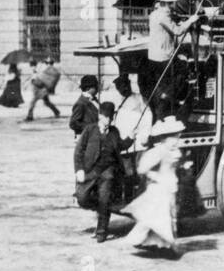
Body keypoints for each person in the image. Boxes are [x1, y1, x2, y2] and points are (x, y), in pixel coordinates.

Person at [121, 115, 185, 258]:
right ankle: (153, 243)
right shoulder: (159, 151)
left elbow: (175, 165)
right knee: (157, 216)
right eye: (173, 137)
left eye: (177, 136)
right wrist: (155, 176)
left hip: (170, 186)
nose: (176, 140)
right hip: (159, 187)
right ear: (165, 138)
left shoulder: (173, 150)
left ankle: (162, 245)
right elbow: (142, 168)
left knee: (167, 215)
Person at [74, 101, 132, 243]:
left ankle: (102, 232)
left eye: (110, 118)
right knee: (82, 198)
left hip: (108, 172)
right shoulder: (89, 130)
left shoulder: (114, 131)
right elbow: (78, 151)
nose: (108, 120)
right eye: (105, 117)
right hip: (90, 171)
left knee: (105, 200)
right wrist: (79, 170)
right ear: (100, 115)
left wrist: (131, 137)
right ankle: (101, 208)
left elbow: (121, 146)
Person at [147, 0, 199, 120]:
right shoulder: (163, 16)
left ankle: (167, 96)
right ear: (166, 4)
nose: (173, 6)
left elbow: (169, 27)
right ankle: (170, 97)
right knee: (184, 70)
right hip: (164, 56)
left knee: (163, 81)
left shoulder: (154, 14)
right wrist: (191, 20)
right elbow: (178, 31)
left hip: (154, 56)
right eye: (171, 4)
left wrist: (181, 22)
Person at [115, 71, 154, 204]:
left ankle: (141, 198)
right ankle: (128, 198)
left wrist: (145, 134)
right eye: (119, 87)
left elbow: (148, 115)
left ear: (128, 85)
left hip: (137, 142)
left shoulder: (139, 98)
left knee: (140, 169)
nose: (122, 89)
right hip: (123, 142)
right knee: (127, 171)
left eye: (124, 86)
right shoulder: (118, 100)